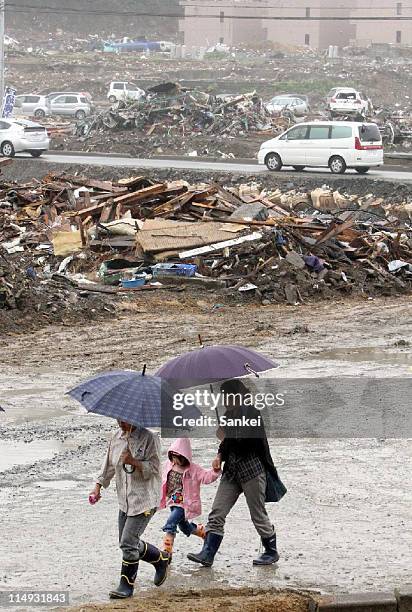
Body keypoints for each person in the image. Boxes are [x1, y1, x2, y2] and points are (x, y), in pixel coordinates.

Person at [187, 379, 281, 568]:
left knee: (257, 514)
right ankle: (208, 553)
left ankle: (271, 551)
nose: (226, 402)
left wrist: (227, 436)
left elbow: (251, 444)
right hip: (231, 472)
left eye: (229, 397)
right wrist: (220, 454)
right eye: (224, 398)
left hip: (252, 471)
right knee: (217, 511)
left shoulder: (253, 414)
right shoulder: (228, 416)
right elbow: (227, 444)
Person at [89, 420, 169, 600]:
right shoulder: (116, 437)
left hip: (145, 499)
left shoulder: (150, 438)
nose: (121, 423)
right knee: (126, 542)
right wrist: (98, 487)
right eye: (118, 419)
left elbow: (156, 469)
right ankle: (161, 559)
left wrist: (134, 461)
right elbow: (108, 466)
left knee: (127, 542)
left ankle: (126, 586)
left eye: (124, 420)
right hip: (124, 500)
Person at [159, 438, 221, 558]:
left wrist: (215, 471)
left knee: (170, 524)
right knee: (184, 526)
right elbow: (158, 473)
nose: (176, 461)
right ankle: (203, 532)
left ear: (185, 457)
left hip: (184, 504)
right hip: (172, 501)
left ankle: (167, 552)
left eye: (179, 458)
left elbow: (206, 477)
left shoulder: (193, 469)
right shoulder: (168, 465)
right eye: (173, 457)